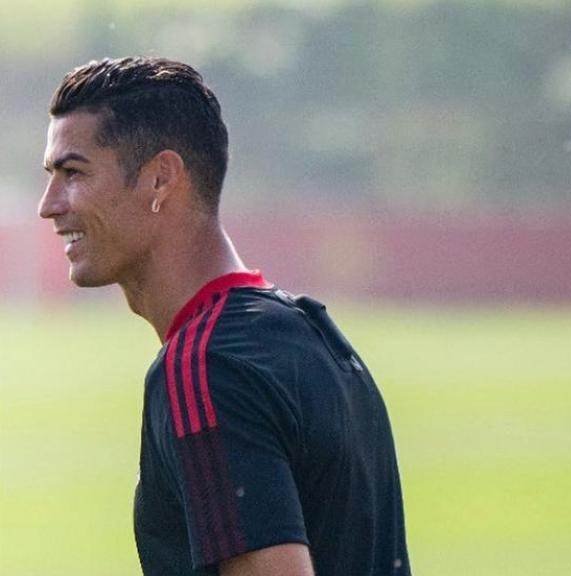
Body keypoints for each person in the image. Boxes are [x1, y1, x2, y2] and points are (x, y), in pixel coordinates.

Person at [38, 57, 411, 576]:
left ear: (160, 179)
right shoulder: (313, 338)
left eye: (73, 173)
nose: (49, 205)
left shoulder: (206, 367)